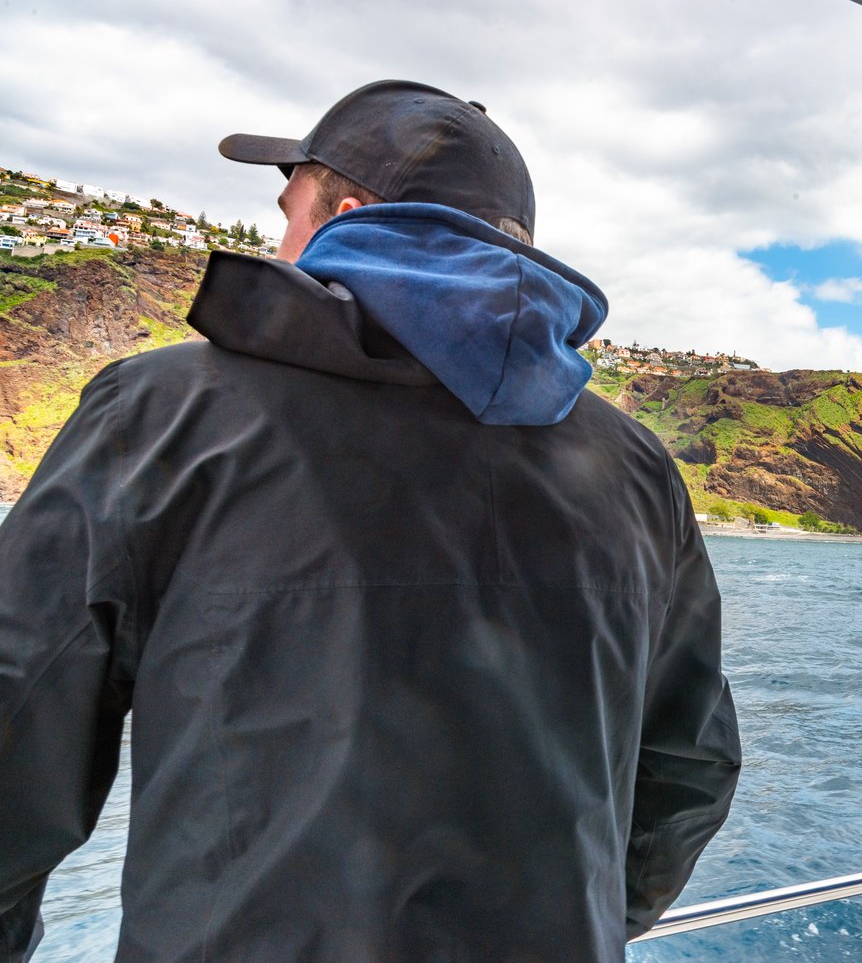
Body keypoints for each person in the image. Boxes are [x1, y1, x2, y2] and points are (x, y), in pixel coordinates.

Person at [0, 80, 740, 962]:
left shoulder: (158, 414)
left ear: (345, 213)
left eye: (288, 211)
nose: (278, 243)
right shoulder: (636, 466)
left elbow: (20, 717)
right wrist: (588, 926)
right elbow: (689, 765)